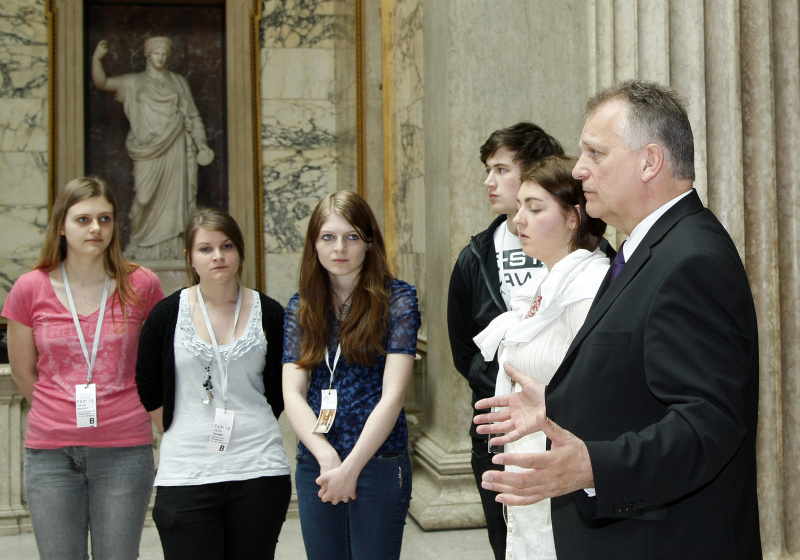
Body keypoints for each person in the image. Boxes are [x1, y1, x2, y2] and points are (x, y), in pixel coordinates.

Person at [474, 80, 762, 559]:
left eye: (596, 153)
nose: (580, 168)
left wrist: (593, 466)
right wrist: (559, 404)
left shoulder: (691, 259)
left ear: (650, 162)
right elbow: (642, 381)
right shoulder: (645, 247)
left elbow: (708, 422)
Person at [2, 177, 165, 560]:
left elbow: (157, 362)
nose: (96, 229)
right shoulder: (29, 288)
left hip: (124, 450)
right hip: (50, 452)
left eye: (104, 219)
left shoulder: (141, 284)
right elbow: (24, 372)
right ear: (61, 225)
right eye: (83, 219)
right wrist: (59, 409)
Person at [472, 155, 609, 559]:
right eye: (519, 209)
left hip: (566, 471)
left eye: (534, 208)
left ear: (573, 218)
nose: (519, 221)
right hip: (528, 458)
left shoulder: (590, 288)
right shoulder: (543, 285)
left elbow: (597, 390)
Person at [135, 208, 291, 559]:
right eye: (206, 248)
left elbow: (281, 390)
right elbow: (148, 384)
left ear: (240, 252)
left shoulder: (271, 313)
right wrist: (182, 429)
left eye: (227, 245)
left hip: (258, 469)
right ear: (190, 257)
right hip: (186, 472)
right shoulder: (165, 314)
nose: (218, 256)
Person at [447, 123, 565, 559]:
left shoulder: (583, 253)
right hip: (498, 430)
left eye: (500, 169)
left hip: (566, 425)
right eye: (487, 169)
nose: (488, 181)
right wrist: (504, 390)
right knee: (510, 543)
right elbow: (464, 347)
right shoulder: (475, 256)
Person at [282, 190, 421, 560]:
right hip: (317, 459)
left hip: (378, 460)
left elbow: (392, 395)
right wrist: (327, 457)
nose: (339, 248)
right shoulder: (301, 306)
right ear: (314, 244)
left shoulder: (398, 299)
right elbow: (292, 392)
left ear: (369, 242)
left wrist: (351, 466)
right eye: (328, 237)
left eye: (351, 237)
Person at [92, 36, 214, 260]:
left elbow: (193, 116)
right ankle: (139, 245)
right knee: (144, 198)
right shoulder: (133, 82)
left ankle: (175, 249)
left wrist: (201, 144)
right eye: (156, 54)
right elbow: (103, 83)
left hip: (176, 146)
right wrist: (96, 59)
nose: (160, 58)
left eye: (164, 55)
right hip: (146, 150)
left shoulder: (178, 82)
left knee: (177, 201)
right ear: (148, 56)